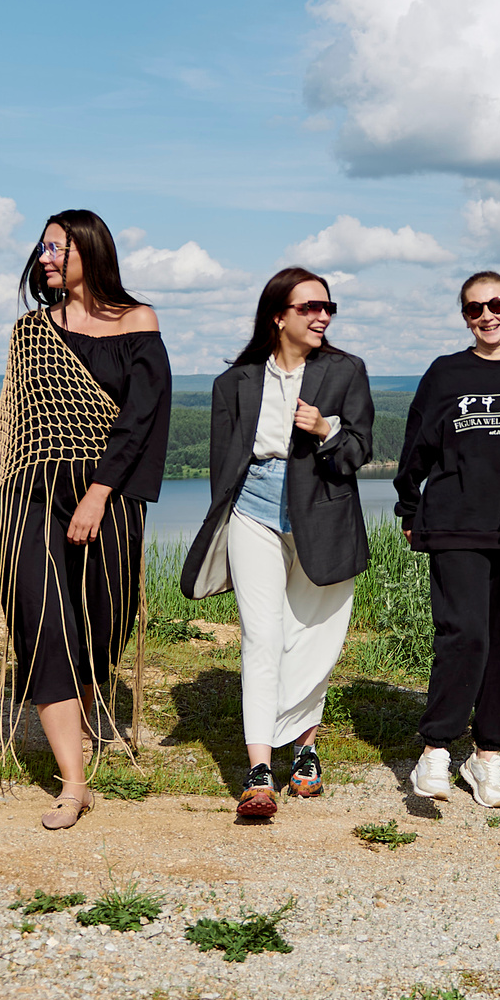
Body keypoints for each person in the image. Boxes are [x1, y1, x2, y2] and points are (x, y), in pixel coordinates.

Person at [0, 211, 172, 831]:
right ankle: (73, 782)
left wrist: (99, 493)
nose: (45, 257)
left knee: (106, 612)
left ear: (90, 251)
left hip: (107, 489)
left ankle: (91, 693)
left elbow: (141, 417)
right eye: (42, 248)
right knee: (42, 619)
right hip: (28, 489)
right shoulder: (29, 332)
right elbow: (12, 418)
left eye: (57, 247)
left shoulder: (137, 321)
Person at [177, 267, 374, 821]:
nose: (322, 316)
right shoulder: (234, 383)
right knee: (262, 637)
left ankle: (306, 751)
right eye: (310, 307)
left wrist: (325, 430)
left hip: (324, 515)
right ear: (278, 316)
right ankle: (260, 769)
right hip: (254, 512)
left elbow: (361, 450)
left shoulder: (345, 371)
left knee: (312, 638)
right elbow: (224, 466)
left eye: (328, 308)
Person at [392, 271, 500, 808]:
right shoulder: (445, 373)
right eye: (474, 309)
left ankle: (488, 754)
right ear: (465, 317)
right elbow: (415, 447)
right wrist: (408, 505)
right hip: (454, 521)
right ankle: (435, 749)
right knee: (463, 634)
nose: (486, 316)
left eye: (496, 305)